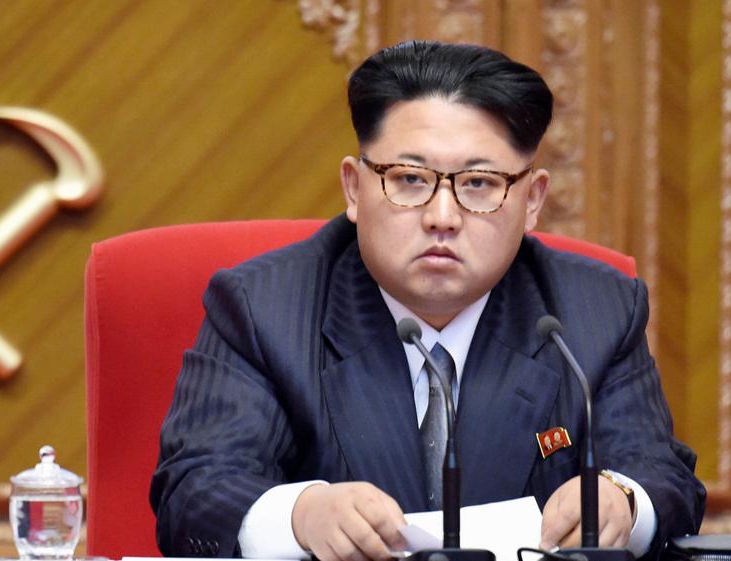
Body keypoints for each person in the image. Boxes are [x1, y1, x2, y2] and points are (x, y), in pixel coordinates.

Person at [149, 40, 705, 561]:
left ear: (533, 201)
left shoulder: (596, 312)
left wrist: (623, 502)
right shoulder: (262, 308)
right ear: (354, 188)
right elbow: (196, 489)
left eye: (479, 184)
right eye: (410, 179)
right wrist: (299, 515)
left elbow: (661, 476)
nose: (443, 217)